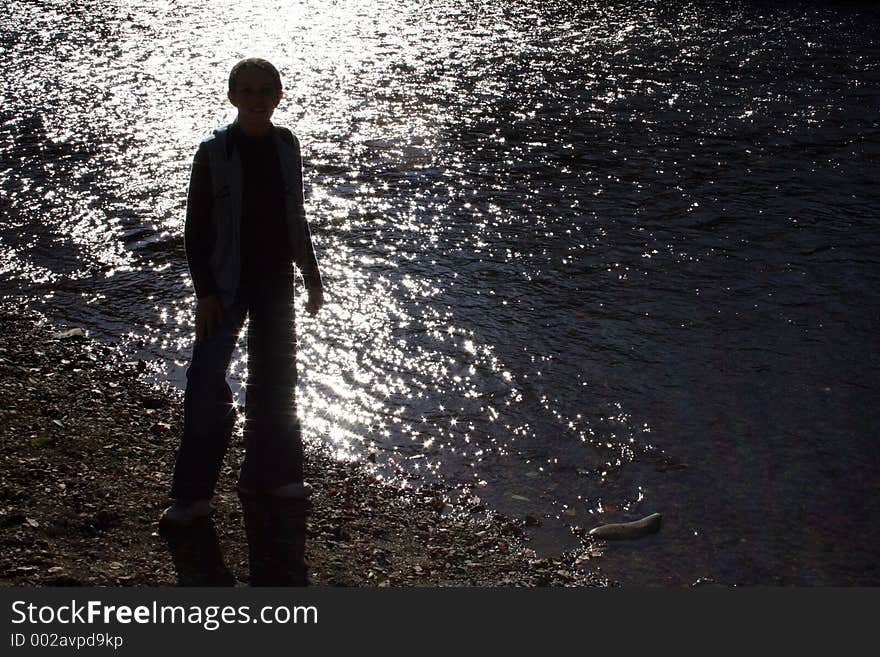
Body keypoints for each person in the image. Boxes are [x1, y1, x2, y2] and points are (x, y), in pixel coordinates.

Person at [160, 58, 324, 586]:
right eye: (246, 90)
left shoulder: (286, 145)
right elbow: (195, 229)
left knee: (276, 385)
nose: (256, 98)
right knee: (206, 384)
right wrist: (205, 292)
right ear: (232, 96)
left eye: (265, 90)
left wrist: (312, 276)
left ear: (278, 95)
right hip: (226, 286)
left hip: (275, 281)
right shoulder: (213, 152)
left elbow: (295, 215)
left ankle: (271, 478)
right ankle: (192, 498)